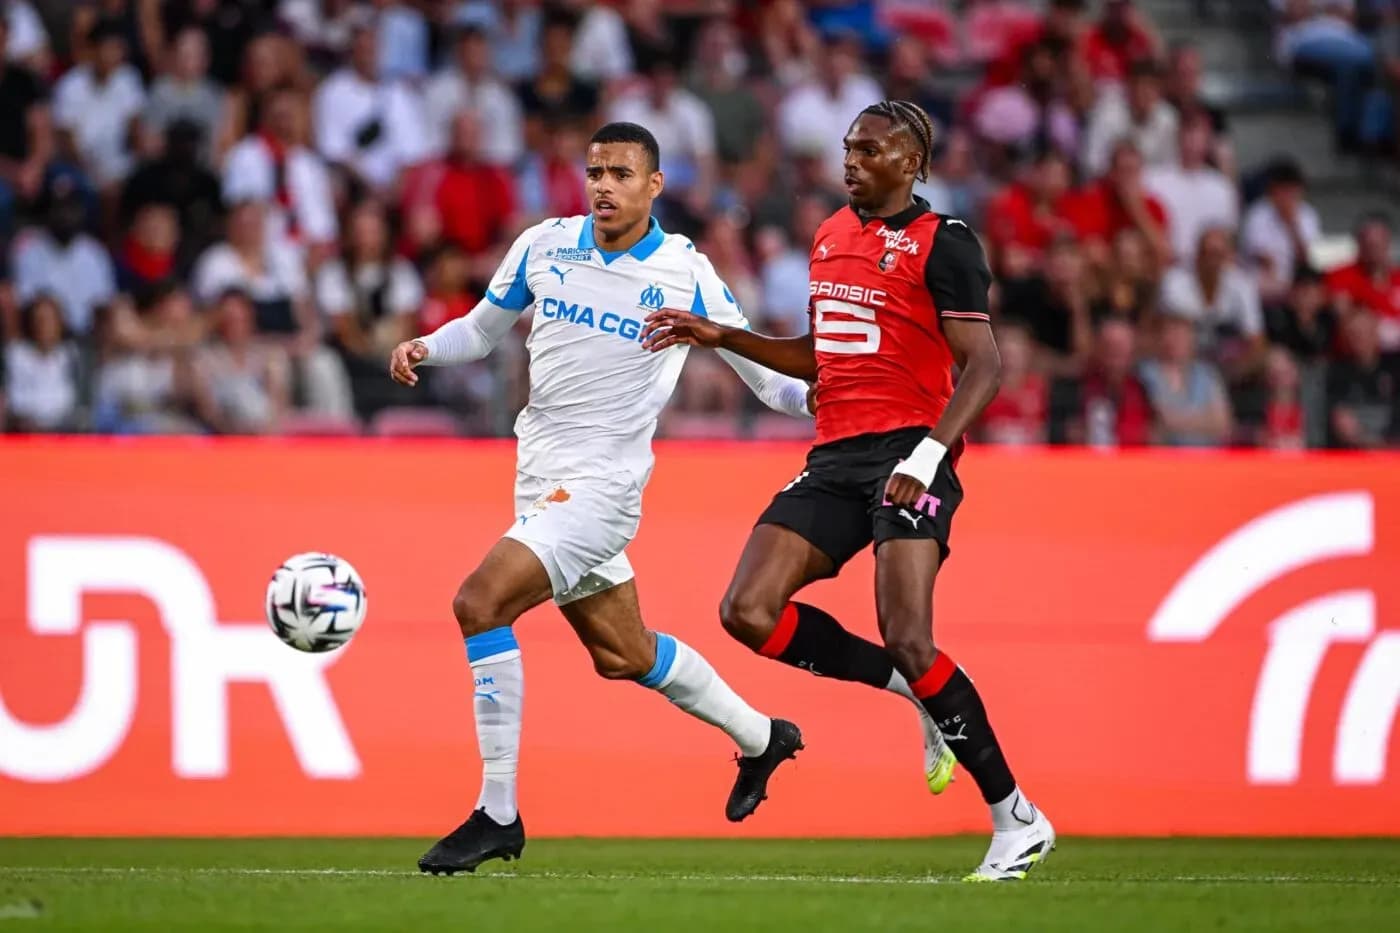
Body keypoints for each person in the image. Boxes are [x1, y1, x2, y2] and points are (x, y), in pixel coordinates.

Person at [642, 100, 1054, 883]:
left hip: (910, 451)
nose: (852, 160)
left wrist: (932, 454)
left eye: (870, 149)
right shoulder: (831, 235)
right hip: (835, 453)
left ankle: (1017, 817)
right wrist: (725, 335)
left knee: (908, 631)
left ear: (914, 163)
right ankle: (918, 695)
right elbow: (822, 355)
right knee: (748, 611)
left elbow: (987, 364)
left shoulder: (947, 243)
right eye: (848, 147)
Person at [388, 123, 812, 876]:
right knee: (624, 653)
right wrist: (427, 346)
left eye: (621, 172)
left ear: (655, 185)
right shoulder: (545, 244)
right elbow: (483, 333)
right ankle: (761, 735)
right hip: (539, 477)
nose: (604, 185)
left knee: (479, 603)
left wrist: (842, 401)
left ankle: (497, 813)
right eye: (595, 171)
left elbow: (767, 381)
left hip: (603, 487)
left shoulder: (688, 273)